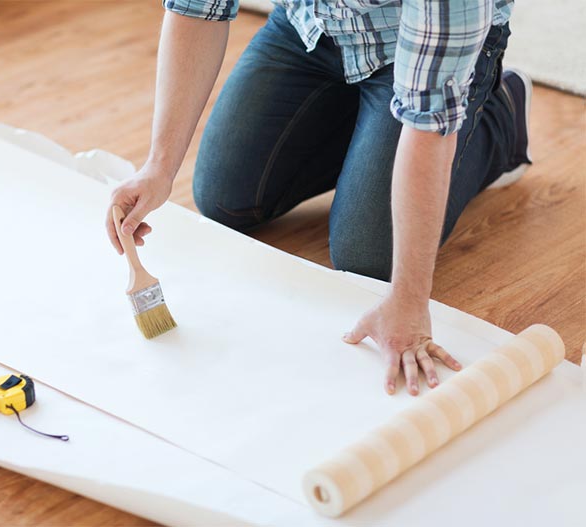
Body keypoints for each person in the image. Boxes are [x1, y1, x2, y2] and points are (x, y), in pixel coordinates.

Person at [105, 0, 532, 396]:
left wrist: (409, 300)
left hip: (414, 51)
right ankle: (370, 131)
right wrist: (158, 167)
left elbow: (428, 117)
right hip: (312, 27)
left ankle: (500, 117)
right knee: (224, 198)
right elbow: (197, 6)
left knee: (367, 257)